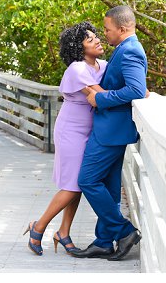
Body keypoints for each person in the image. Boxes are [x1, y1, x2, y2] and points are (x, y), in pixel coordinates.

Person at [24, 23, 106, 255]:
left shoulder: (103, 65)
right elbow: (101, 94)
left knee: (77, 183)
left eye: (96, 36)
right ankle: (38, 227)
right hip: (71, 130)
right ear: (79, 49)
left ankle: (63, 232)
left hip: (90, 131)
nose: (97, 40)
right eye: (90, 40)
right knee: (74, 185)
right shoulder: (77, 69)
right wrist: (137, 93)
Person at [73, 5, 148, 260]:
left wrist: (100, 99)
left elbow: (136, 91)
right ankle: (104, 241)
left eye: (107, 29)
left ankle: (124, 231)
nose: (104, 34)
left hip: (110, 131)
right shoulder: (125, 49)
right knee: (110, 188)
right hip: (113, 130)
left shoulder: (130, 52)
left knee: (88, 180)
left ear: (123, 29)